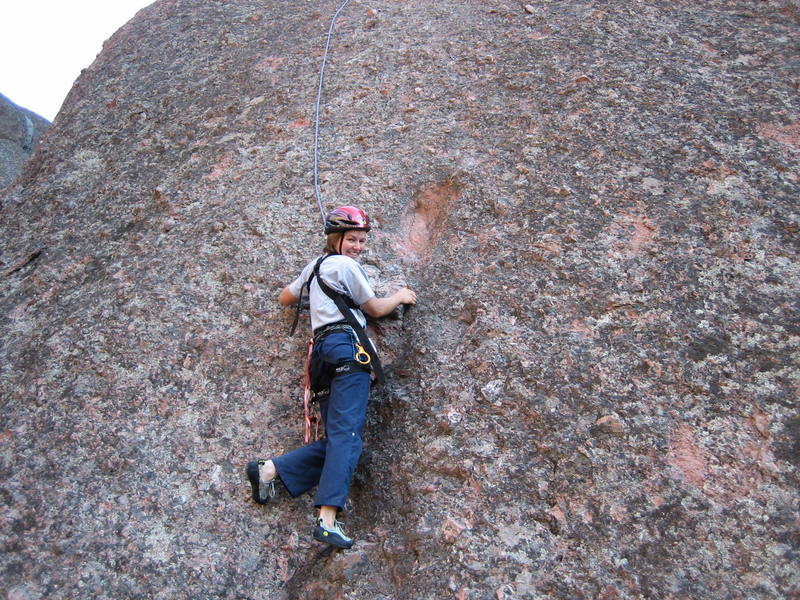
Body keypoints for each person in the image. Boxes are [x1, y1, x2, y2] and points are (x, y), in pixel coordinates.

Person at [246, 205, 416, 549]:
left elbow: (284, 298)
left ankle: (269, 471)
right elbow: (375, 309)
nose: (358, 246)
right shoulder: (346, 266)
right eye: (352, 239)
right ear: (335, 239)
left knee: (342, 435)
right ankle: (327, 519)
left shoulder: (315, 266)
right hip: (347, 348)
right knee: (348, 437)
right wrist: (400, 295)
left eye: (361, 240)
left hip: (321, 356)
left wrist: (317, 299)